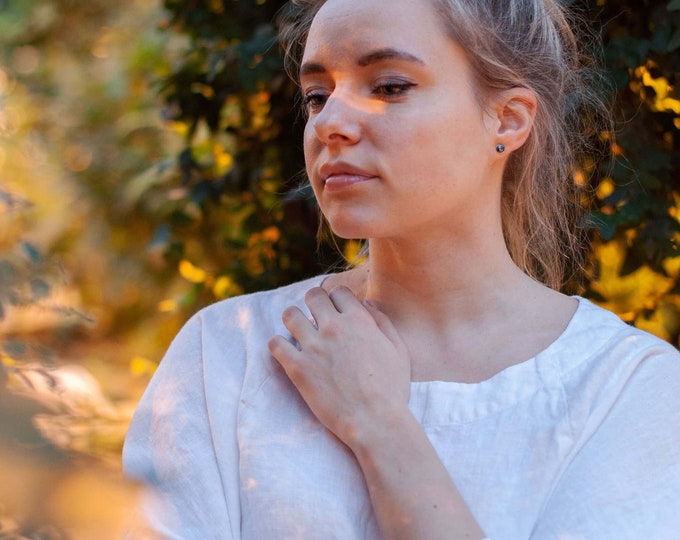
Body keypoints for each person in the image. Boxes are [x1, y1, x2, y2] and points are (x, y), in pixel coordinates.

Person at [122, 0, 680, 538]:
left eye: (389, 87)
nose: (330, 122)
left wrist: (379, 425)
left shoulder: (627, 389)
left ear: (507, 120)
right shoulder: (228, 353)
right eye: (317, 96)